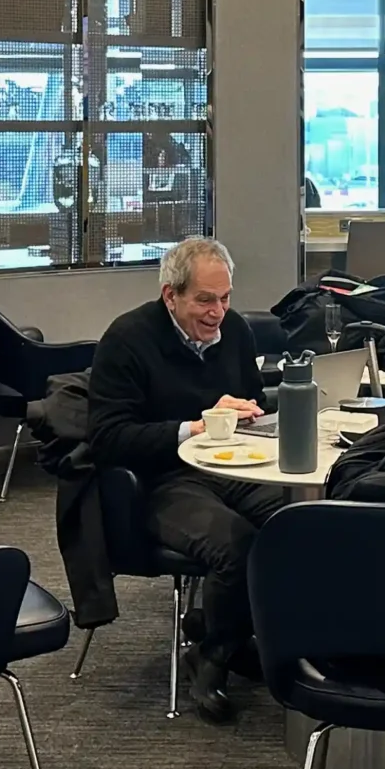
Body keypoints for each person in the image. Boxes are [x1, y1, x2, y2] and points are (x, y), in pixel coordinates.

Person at [86, 236, 276, 724]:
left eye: (226, 297)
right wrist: (196, 425)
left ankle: (228, 627)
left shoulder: (234, 331)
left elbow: (250, 401)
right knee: (237, 546)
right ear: (171, 295)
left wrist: (254, 414)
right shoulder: (128, 339)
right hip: (163, 478)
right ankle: (210, 654)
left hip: (234, 463)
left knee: (298, 523)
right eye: (205, 300)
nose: (219, 312)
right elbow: (108, 438)